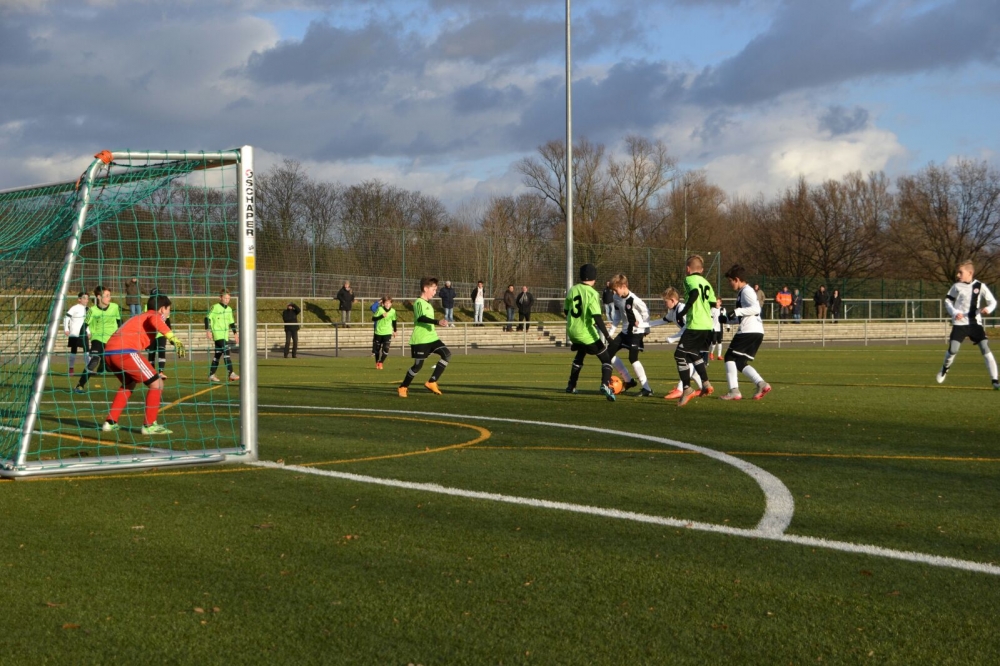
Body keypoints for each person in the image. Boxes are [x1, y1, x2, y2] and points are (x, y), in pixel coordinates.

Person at [100, 293, 186, 435]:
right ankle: (149, 425)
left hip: (109, 353)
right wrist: (174, 339)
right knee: (157, 384)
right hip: (125, 352)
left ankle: (110, 422)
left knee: (129, 384)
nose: (169, 313)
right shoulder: (154, 315)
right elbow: (155, 320)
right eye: (168, 309)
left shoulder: (139, 316)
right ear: (162, 309)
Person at [936, 260, 998, 389]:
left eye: (960, 272)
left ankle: (995, 380)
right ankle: (944, 369)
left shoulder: (980, 286)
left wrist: (988, 309)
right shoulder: (956, 286)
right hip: (960, 323)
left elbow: (993, 302)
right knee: (953, 349)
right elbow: (947, 301)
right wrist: (954, 312)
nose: (958, 275)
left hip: (975, 323)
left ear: (970, 273)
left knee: (985, 347)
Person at [564, 263, 616, 401]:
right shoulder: (593, 293)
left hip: (572, 331)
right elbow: (597, 317)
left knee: (580, 354)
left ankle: (571, 385)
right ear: (594, 278)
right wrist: (608, 337)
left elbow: (566, 310)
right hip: (585, 333)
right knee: (606, 359)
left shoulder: (573, 289)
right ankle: (605, 385)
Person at [719, 264, 771, 401]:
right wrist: (727, 320)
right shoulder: (743, 292)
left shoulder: (746, 291)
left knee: (729, 357)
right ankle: (762, 384)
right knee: (740, 362)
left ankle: (734, 391)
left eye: (730, 281)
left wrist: (736, 311)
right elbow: (745, 315)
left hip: (748, 331)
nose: (729, 284)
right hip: (756, 331)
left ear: (737, 279)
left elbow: (756, 309)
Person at [673, 255, 716, 406]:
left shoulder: (689, 279)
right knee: (693, 353)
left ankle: (687, 389)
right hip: (707, 325)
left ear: (688, 269)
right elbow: (713, 303)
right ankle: (705, 383)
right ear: (702, 270)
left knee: (679, 355)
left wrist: (683, 312)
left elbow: (695, 293)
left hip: (695, 324)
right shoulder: (706, 283)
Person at [648, 287, 704, 399]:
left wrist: (674, 337)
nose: (665, 304)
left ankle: (680, 389)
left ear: (673, 300)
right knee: (688, 362)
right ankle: (703, 388)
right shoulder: (673, 311)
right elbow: (662, 321)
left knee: (684, 360)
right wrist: (642, 325)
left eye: (666, 302)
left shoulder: (681, 309)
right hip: (691, 336)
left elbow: (688, 326)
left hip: (696, 335)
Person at [398, 278, 451, 397]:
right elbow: (421, 318)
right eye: (433, 289)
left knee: (447, 354)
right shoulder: (419, 302)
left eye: (436, 290)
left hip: (432, 337)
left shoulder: (428, 304)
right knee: (417, 366)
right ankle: (403, 387)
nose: (435, 292)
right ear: (425, 288)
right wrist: (437, 322)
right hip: (421, 339)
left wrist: (438, 323)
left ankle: (432, 381)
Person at [608, 274, 653, 396]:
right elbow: (617, 316)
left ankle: (647, 389)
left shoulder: (635, 300)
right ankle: (629, 381)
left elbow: (646, 312)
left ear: (623, 286)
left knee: (633, 358)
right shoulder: (616, 298)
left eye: (616, 289)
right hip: (625, 332)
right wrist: (610, 332)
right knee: (608, 354)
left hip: (636, 332)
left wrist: (646, 328)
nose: (614, 293)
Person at [75, 286, 122, 394]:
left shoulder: (115, 307)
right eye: (107, 296)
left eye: (109, 295)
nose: (109, 298)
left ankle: (105, 363)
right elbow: (84, 325)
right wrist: (82, 337)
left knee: (114, 364)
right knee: (94, 361)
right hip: (98, 338)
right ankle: (80, 385)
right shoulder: (92, 310)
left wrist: (121, 334)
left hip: (112, 339)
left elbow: (119, 322)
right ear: (99, 297)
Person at [205, 289, 239, 383]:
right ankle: (231, 373)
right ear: (220, 298)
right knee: (226, 351)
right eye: (225, 298)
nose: (227, 300)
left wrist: (235, 333)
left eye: (228, 298)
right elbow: (207, 318)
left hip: (225, 335)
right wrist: (208, 330)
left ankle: (211, 374)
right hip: (217, 334)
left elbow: (231, 322)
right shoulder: (215, 307)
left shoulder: (229, 309)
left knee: (217, 355)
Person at [146, 287, 171, 379]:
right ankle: (152, 373)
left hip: (161, 333)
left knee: (161, 350)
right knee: (151, 353)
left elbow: (168, 321)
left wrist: (169, 334)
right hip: (151, 334)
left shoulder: (164, 306)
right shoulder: (147, 306)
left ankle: (161, 372)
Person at [63, 291, 89, 376]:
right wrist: (66, 328)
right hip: (74, 333)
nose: (86, 300)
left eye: (87, 298)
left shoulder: (88, 309)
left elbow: (88, 322)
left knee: (87, 351)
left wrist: (88, 332)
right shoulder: (74, 308)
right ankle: (71, 368)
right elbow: (66, 317)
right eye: (84, 298)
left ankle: (88, 369)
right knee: (73, 351)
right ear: (79, 299)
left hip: (84, 333)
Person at [372, 296, 397, 370]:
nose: (387, 304)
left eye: (389, 303)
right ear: (383, 303)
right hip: (378, 332)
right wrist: (381, 316)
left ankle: (381, 362)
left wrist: (395, 330)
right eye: (386, 303)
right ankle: (377, 362)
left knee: (386, 348)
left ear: (391, 304)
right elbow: (373, 318)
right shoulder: (380, 309)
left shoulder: (393, 311)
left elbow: (394, 321)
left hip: (387, 332)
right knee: (377, 349)